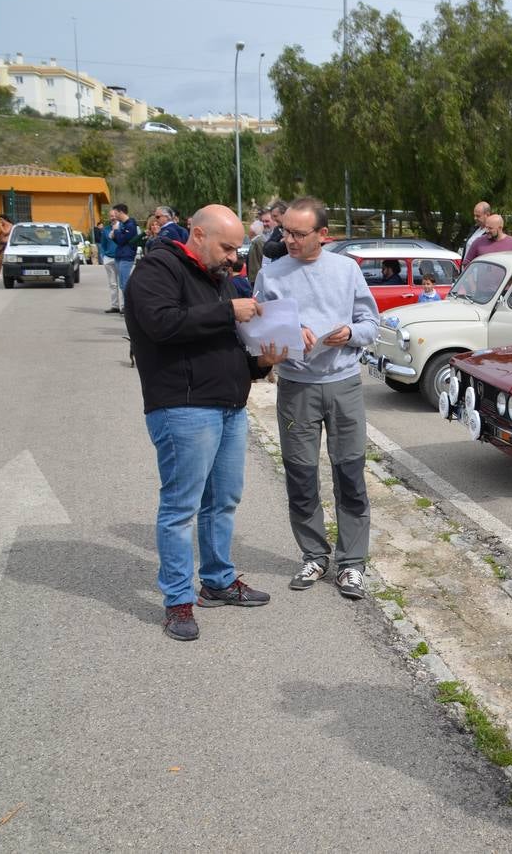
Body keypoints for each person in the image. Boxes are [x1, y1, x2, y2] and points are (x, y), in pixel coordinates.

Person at [123, 204, 287, 641]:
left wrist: (260, 364)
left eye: (237, 248)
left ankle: (217, 581)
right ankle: (178, 600)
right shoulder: (156, 269)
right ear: (197, 234)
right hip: (183, 406)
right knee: (181, 508)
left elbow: (225, 347)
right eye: (227, 247)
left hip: (229, 405)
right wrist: (229, 311)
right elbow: (161, 325)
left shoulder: (220, 279)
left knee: (223, 500)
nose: (234, 257)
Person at [252, 197, 380, 601]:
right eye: (284, 231)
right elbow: (258, 331)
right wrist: (289, 331)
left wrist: (350, 334)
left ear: (323, 235)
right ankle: (313, 554)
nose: (287, 239)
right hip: (296, 386)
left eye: (297, 233)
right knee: (301, 476)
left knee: (350, 475)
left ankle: (352, 564)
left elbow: (370, 323)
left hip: (343, 385)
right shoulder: (271, 274)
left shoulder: (346, 270)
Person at [246, 200, 287, 285]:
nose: (274, 219)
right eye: (262, 221)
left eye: (275, 216)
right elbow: (267, 248)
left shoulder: (289, 231)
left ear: (285, 214)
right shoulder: (277, 231)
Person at [109, 204, 139, 299]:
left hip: (126, 257)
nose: (115, 215)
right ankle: (126, 307)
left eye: (116, 213)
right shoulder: (123, 224)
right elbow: (120, 241)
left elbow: (123, 240)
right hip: (120, 255)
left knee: (124, 283)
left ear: (121, 212)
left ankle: (129, 307)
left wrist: (116, 231)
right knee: (122, 283)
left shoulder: (131, 225)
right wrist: (114, 236)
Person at [97, 217, 122, 312]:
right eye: (110, 216)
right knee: (112, 284)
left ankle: (124, 307)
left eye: (114, 215)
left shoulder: (123, 227)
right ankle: (115, 306)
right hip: (108, 258)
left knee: (122, 283)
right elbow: (102, 244)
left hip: (120, 258)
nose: (112, 218)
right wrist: (103, 256)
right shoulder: (106, 230)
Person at [0, 214, 13, 281]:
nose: (0, 221)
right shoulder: (3, 226)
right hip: (1, 243)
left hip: (6, 244)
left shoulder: (9, 225)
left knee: (1, 259)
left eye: (1, 219)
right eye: (0, 219)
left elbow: (6, 232)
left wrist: (1, 227)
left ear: (5, 219)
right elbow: (1, 235)